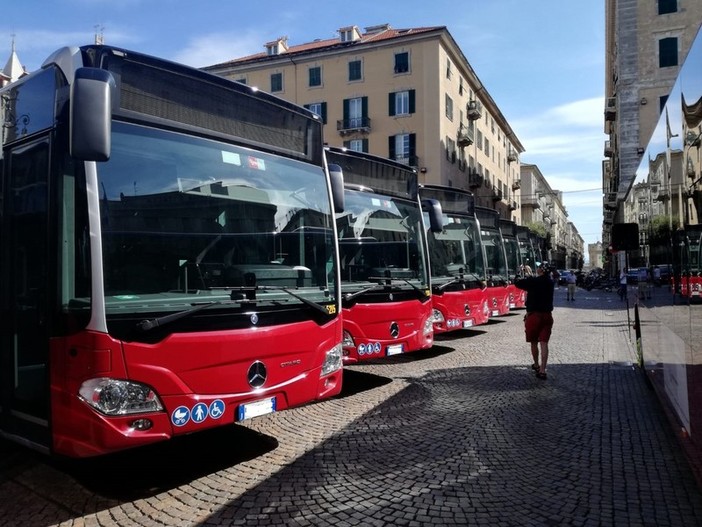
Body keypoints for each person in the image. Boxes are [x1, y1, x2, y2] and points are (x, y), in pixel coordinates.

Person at [515, 263, 555, 380]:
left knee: (533, 342)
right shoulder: (550, 282)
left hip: (534, 315)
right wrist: (531, 276)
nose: (536, 268)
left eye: (538, 267)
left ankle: (536, 364)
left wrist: (519, 272)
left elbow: (518, 283)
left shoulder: (534, 281)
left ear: (541, 270)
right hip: (547, 316)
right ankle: (543, 370)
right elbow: (536, 282)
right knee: (544, 343)